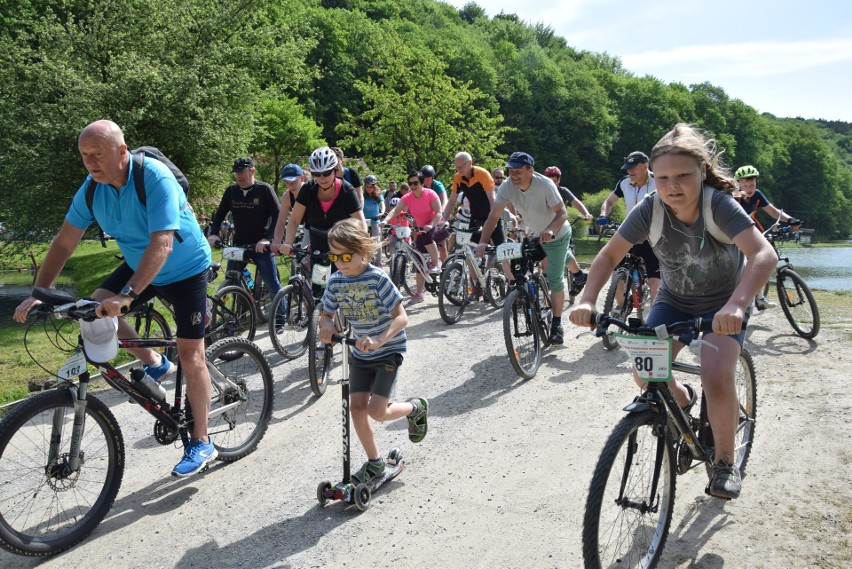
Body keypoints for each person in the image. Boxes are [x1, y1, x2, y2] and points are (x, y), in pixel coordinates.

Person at [569, 123, 777, 499]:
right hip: (674, 301)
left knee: (716, 375)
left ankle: (726, 463)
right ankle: (683, 402)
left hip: (722, 305)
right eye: (662, 177)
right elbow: (607, 256)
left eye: (683, 175)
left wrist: (737, 304)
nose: (672, 185)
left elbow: (763, 254)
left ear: (702, 172)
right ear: (652, 178)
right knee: (646, 375)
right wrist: (586, 299)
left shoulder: (720, 205)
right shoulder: (649, 210)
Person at [13, 120, 217, 477]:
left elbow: (163, 243)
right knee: (95, 307)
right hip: (141, 264)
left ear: (122, 151)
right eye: (85, 156)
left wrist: (128, 296)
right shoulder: (92, 189)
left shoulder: (153, 178)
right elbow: (64, 242)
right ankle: (154, 361)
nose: (91, 162)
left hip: (184, 267)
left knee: (191, 353)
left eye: (98, 154)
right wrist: (39, 293)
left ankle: (202, 439)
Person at [318, 219, 428, 483]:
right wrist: (326, 325)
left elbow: (401, 317)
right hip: (360, 351)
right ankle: (375, 463)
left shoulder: (377, 277)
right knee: (357, 409)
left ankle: (415, 408)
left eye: (345, 256)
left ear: (362, 251)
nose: (340, 262)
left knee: (377, 412)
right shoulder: (335, 282)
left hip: (387, 349)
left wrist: (380, 338)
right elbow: (326, 314)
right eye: (334, 256)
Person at [475, 152, 571, 344]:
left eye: (518, 171)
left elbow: (562, 213)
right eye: (511, 171)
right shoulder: (507, 187)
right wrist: (483, 242)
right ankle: (527, 295)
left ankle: (556, 325)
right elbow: (494, 216)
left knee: (555, 279)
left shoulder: (545, 185)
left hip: (557, 235)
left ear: (530, 170)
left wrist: (550, 230)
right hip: (535, 234)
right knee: (520, 265)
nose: (513, 175)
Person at [208, 157, 282, 298]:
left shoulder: (264, 189)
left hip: (261, 246)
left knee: (272, 284)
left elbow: (278, 215)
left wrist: (268, 239)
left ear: (252, 170)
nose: (239, 176)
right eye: (236, 172)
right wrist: (213, 233)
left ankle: (280, 318)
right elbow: (219, 215)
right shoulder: (231, 191)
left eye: (242, 172)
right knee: (231, 280)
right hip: (238, 244)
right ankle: (241, 309)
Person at [273, 146, 366, 258]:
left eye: (326, 173)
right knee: (304, 266)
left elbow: (360, 222)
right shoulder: (308, 189)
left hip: (342, 249)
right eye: (317, 174)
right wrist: (288, 242)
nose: (322, 178)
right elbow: (294, 220)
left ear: (334, 171)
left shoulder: (346, 190)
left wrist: (360, 245)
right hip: (316, 248)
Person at [734, 165, 802, 310]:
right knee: (744, 264)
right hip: (733, 232)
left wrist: (791, 220)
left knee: (762, 259)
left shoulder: (757, 195)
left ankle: (759, 298)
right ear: (738, 184)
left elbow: (773, 211)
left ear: (756, 182)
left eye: (751, 184)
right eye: (744, 185)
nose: (748, 188)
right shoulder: (734, 196)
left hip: (749, 230)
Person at [600, 151, 662, 302]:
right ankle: (620, 309)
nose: (629, 171)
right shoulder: (624, 183)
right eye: (628, 167)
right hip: (630, 233)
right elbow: (608, 202)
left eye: (633, 167)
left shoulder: (660, 181)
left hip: (653, 236)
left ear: (645, 166)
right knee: (616, 272)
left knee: (655, 284)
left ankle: (653, 321)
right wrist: (603, 215)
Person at [384, 169, 446, 305]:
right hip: (419, 228)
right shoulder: (408, 197)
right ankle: (419, 293)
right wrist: (385, 221)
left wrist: (430, 225)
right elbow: (395, 211)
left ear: (422, 183)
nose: (412, 186)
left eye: (415, 183)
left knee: (427, 237)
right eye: (410, 183)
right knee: (418, 261)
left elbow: (438, 212)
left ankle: (436, 264)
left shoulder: (430, 194)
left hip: (433, 225)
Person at [543, 165, 593, 290]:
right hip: (544, 226)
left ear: (558, 180)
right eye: (549, 180)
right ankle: (545, 278)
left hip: (560, 226)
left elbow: (575, 202)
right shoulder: (541, 191)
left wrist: (586, 213)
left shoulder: (563, 191)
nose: (552, 183)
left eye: (555, 180)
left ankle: (574, 276)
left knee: (563, 250)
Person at [272, 163, 311, 251]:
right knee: (304, 261)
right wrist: (277, 242)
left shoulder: (311, 190)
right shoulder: (287, 196)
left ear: (302, 178)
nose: (290, 186)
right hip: (307, 228)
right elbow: (281, 221)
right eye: (286, 182)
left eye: (293, 182)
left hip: (321, 228)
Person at [421, 165, 449, 263]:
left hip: (438, 214)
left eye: (428, 178)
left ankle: (445, 265)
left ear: (432, 177)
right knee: (418, 236)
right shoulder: (421, 187)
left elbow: (444, 199)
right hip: (426, 216)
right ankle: (421, 261)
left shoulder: (437, 185)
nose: (426, 180)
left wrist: (442, 211)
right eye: (424, 178)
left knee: (442, 244)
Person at [362, 174, 386, 266]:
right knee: (363, 241)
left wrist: (382, 212)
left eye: (371, 187)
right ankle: (364, 261)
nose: (369, 189)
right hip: (364, 221)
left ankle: (378, 262)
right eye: (367, 187)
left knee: (377, 241)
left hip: (375, 221)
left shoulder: (378, 195)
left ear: (374, 187)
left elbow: (382, 204)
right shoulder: (362, 196)